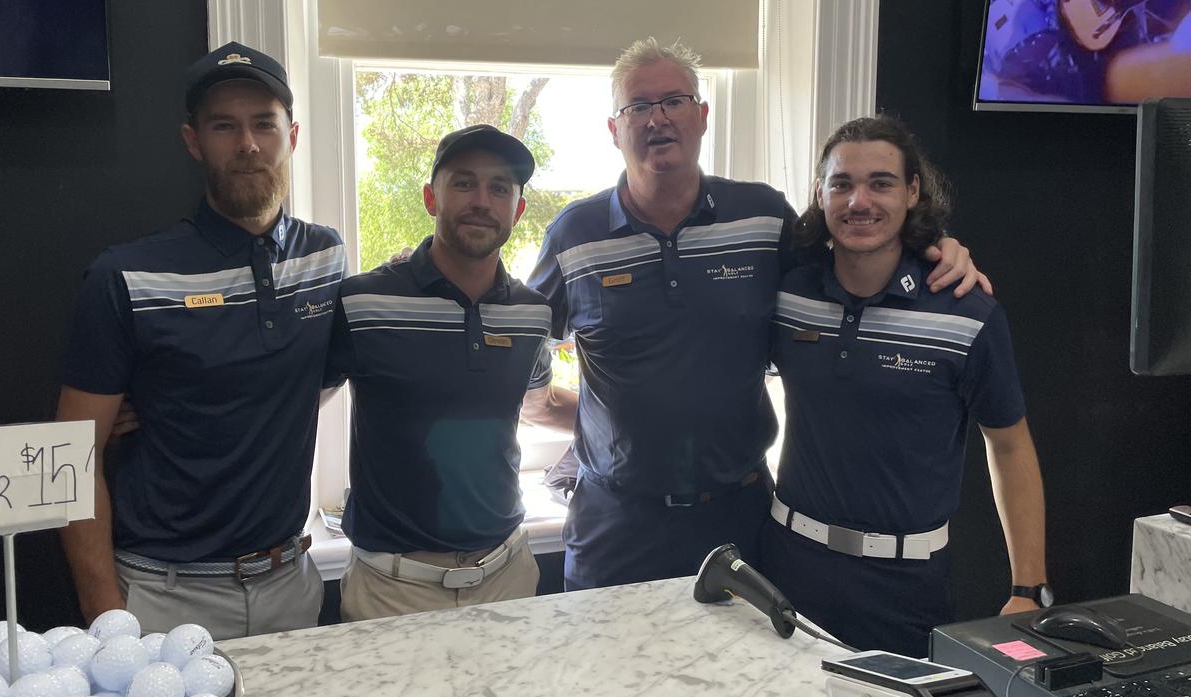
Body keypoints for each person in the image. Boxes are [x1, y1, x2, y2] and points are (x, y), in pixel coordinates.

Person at [521, 38, 988, 591]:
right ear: (614, 129)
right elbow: (519, 335)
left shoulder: (763, 216)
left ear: (702, 116)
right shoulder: (575, 235)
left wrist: (933, 246)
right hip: (615, 525)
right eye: (637, 107)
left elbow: (855, 256)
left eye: (673, 101)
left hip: (738, 516)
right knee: (605, 675)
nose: (657, 119)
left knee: (742, 678)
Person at [56, 42, 344, 639]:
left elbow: (318, 375)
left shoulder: (326, 257)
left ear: (292, 135)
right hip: (162, 598)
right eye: (224, 126)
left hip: (290, 587)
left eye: (264, 123)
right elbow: (70, 463)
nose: (247, 145)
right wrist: (109, 621)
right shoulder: (125, 277)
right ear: (194, 141)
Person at [760, 115, 1048, 657]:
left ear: (913, 191)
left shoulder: (967, 312)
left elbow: (1009, 445)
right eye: (842, 184)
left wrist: (1027, 589)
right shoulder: (789, 291)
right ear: (820, 192)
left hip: (905, 586)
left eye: (881, 183)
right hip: (787, 569)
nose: (859, 201)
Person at [327, 125, 550, 621]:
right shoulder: (363, 302)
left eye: (500, 188)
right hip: (392, 589)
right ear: (432, 197)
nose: (482, 201)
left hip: (508, 576)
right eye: (464, 183)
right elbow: (299, 400)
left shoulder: (533, 313)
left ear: (517, 209)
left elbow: (538, 402)